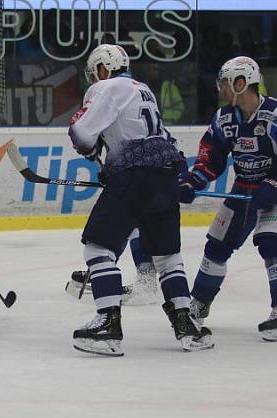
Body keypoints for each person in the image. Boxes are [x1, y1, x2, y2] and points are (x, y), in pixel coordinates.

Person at [68, 44, 213, 355]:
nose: (95, 77)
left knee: (99, 247)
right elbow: (155, 135)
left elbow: (82, 133)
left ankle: (107, 323)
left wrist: (97, 155)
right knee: (167, 256)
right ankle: (187, 324)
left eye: (96, 71)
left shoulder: (105, 86)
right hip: (164, 175)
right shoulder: (143, 88)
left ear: (104, 68)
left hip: (133, 178)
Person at [180, 56, 277, 341]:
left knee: (271, 242)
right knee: (216, 247)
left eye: (225, 83)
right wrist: (194, 180)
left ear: (241, 83)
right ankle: (198, 305)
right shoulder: (224, 118)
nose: (221, 89)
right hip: (243, 190)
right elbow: (211, 157)